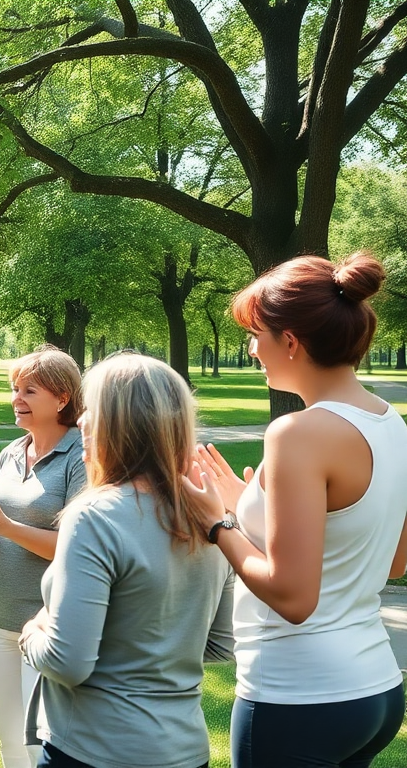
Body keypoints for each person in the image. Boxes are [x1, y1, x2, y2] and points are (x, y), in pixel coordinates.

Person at [195, 252, 407, 768]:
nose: (251, 349)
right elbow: (395, 564)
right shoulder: (391, 423)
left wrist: (218, 525)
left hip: (297, 695)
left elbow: (293, 598)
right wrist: (250, 509)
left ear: (289, 341)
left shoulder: (298, 433)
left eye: (256, 334)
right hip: (375, 692)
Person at [20, 353, 233, 768]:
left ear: (121, 424)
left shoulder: (94, 516)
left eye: (92, 410)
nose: (80, 422)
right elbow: (220, 644)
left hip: (93, 749)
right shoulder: (211, 515)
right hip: (184, 751)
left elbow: (67, 662)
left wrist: (31, 631)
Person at [0, 346, 86, 768]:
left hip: (48, 625)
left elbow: (77, 544)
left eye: (29, 390)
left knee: (39, 747)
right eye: (14, 389)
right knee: (10, 743)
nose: (16, 399)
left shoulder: (81, 456)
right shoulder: (10, 453)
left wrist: (4, 523)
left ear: (62, 398)